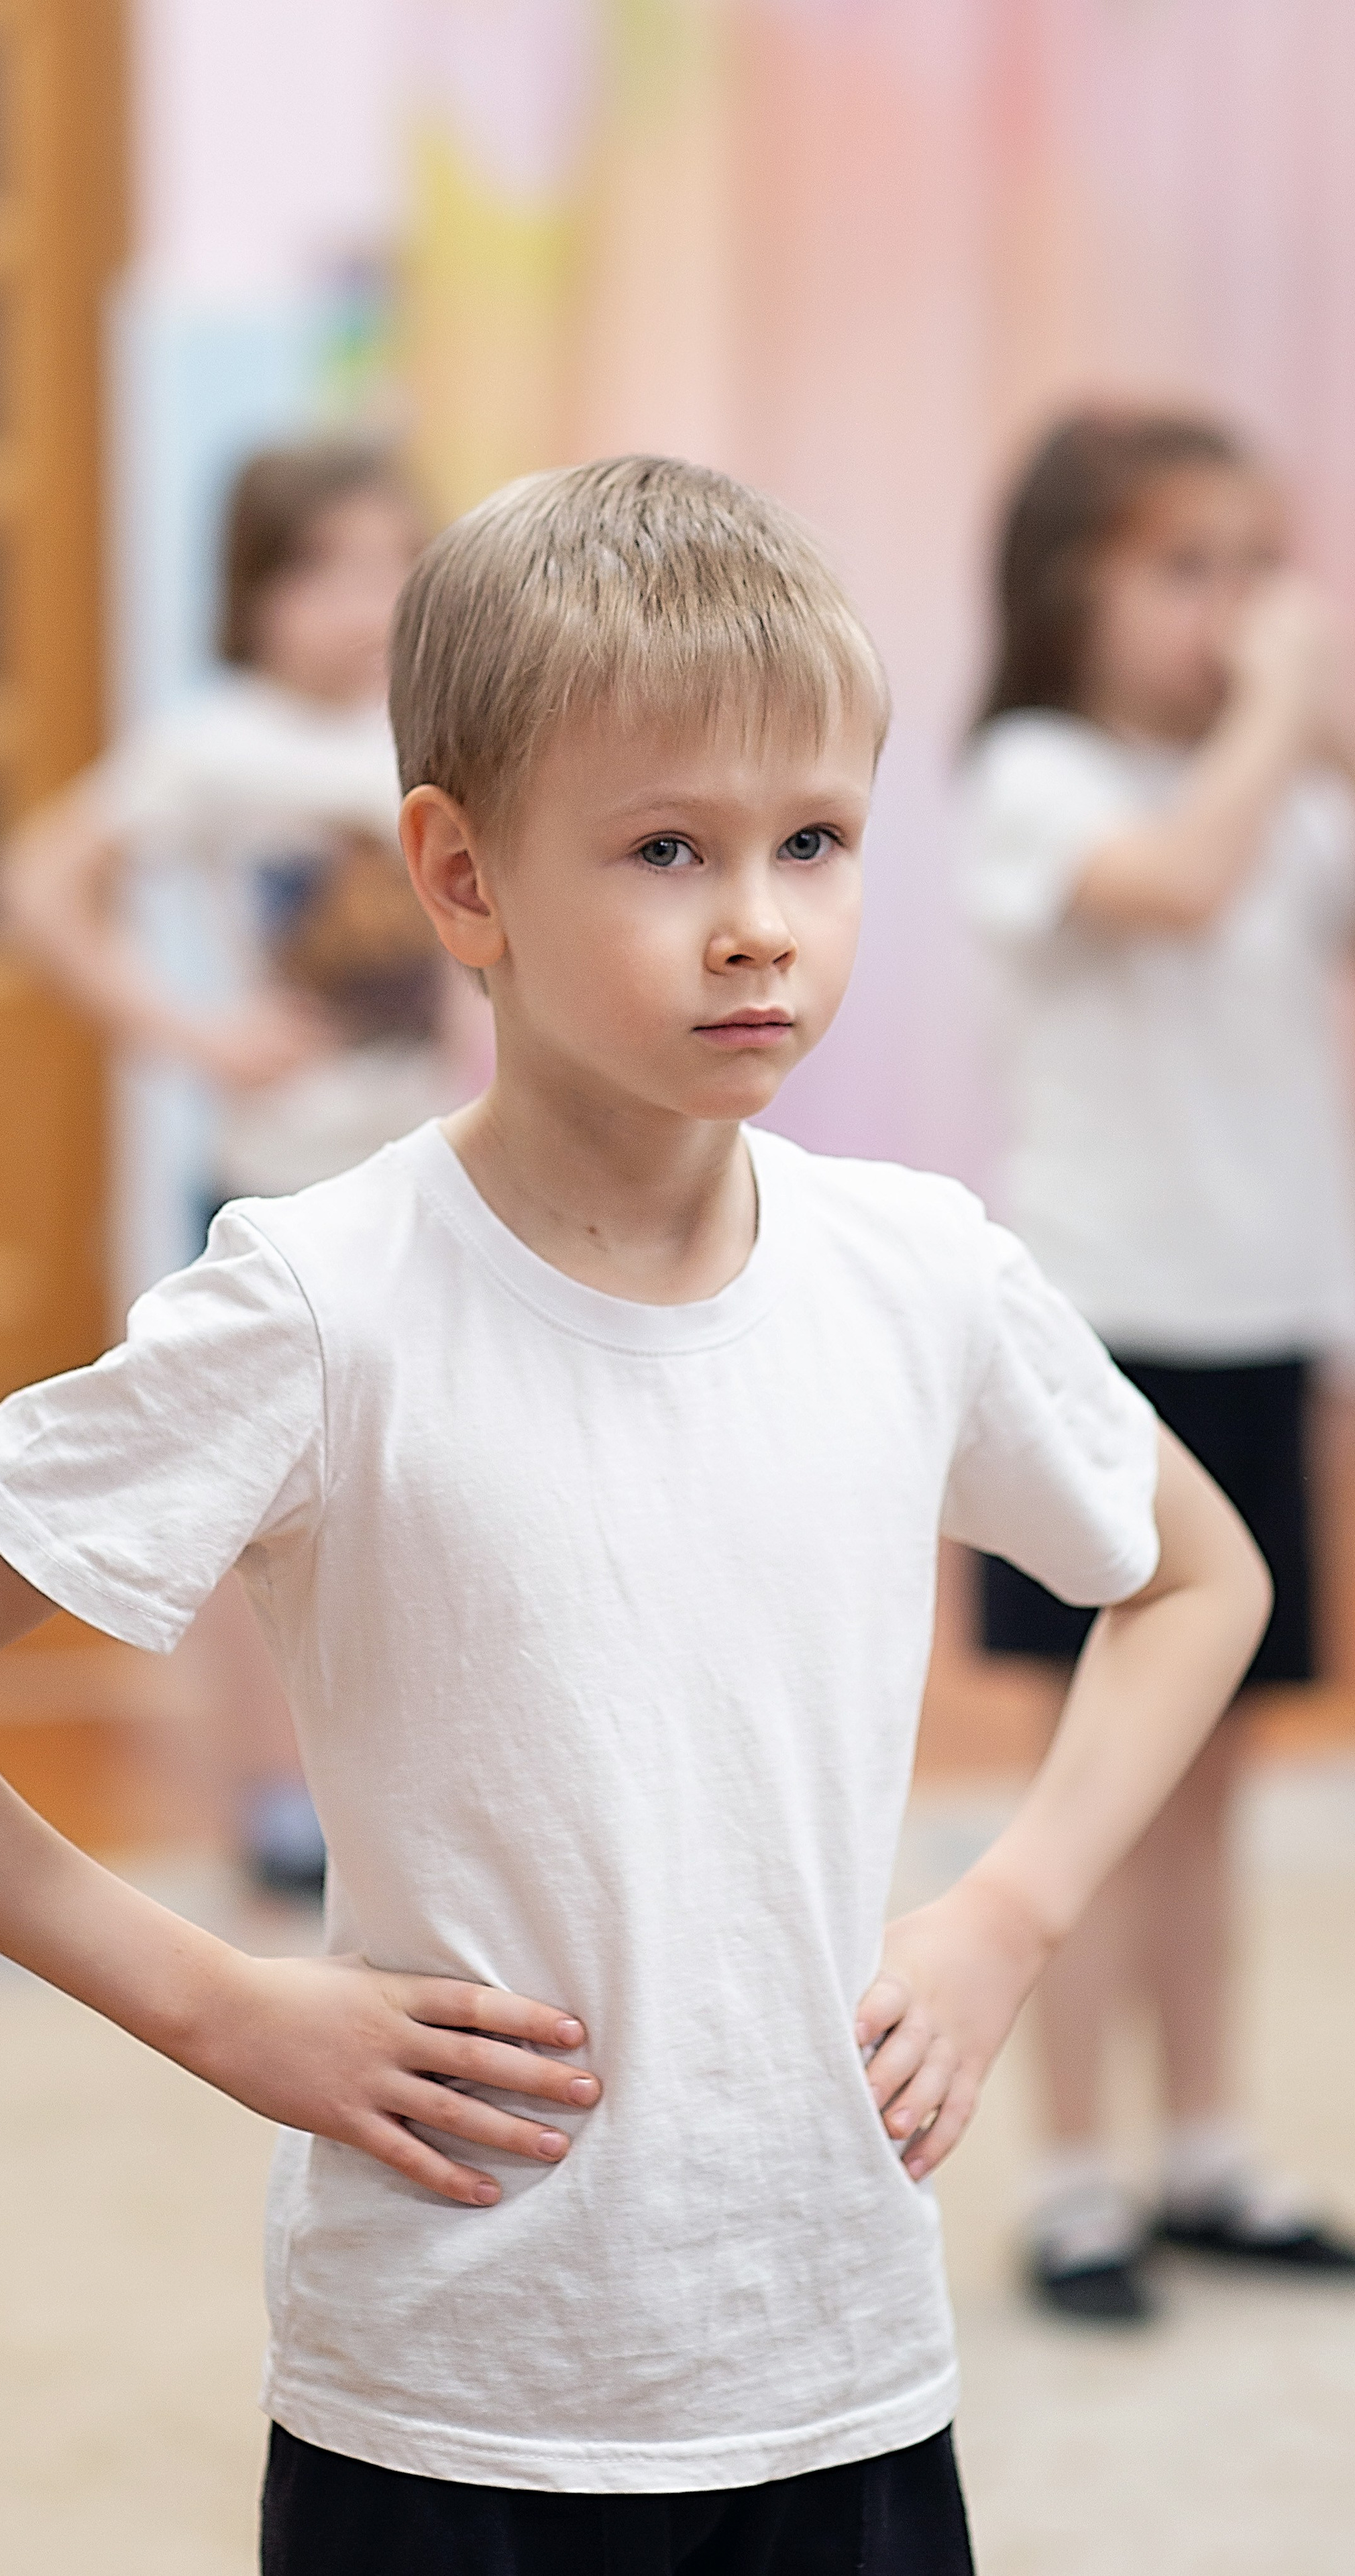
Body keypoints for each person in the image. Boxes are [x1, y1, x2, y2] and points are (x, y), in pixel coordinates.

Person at [0, 459, 1269, 2575]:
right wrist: (212, 1999)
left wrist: (1010, 1911)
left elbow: (1198, 1574)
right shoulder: (317, 1301)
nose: (761, 921)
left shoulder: (922, 1274)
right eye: (666, 849)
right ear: (459, 879)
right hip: (450, 2416)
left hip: (840, 2371)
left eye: (814, 842)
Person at [961, 408, 1355, 2323]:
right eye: (1184, 569)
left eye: (1254, 567)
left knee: (1218, 1773)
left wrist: (1307, 733)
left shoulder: (1285, 793)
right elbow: (1178, 885)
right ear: (1070, 591)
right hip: (1097, 1337)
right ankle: (1077, 2180)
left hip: (1263, 1317)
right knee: (1095, 1772)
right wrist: (1284, 719)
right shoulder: (1037, 776)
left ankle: (1210, 2149)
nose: (1234, 615)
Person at [0, 436, 468, 1897]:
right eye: (316, 568)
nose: (355, 600)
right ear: (249, 592)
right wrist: (193, 1030)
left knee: (419, 1488)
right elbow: (39, 881)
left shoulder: (435, 728)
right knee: (253, 1501)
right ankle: (271, 1791)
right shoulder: (215, 747)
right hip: (269, 1189)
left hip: (430, 1180)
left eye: (386, 561)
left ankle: (408, 1772)